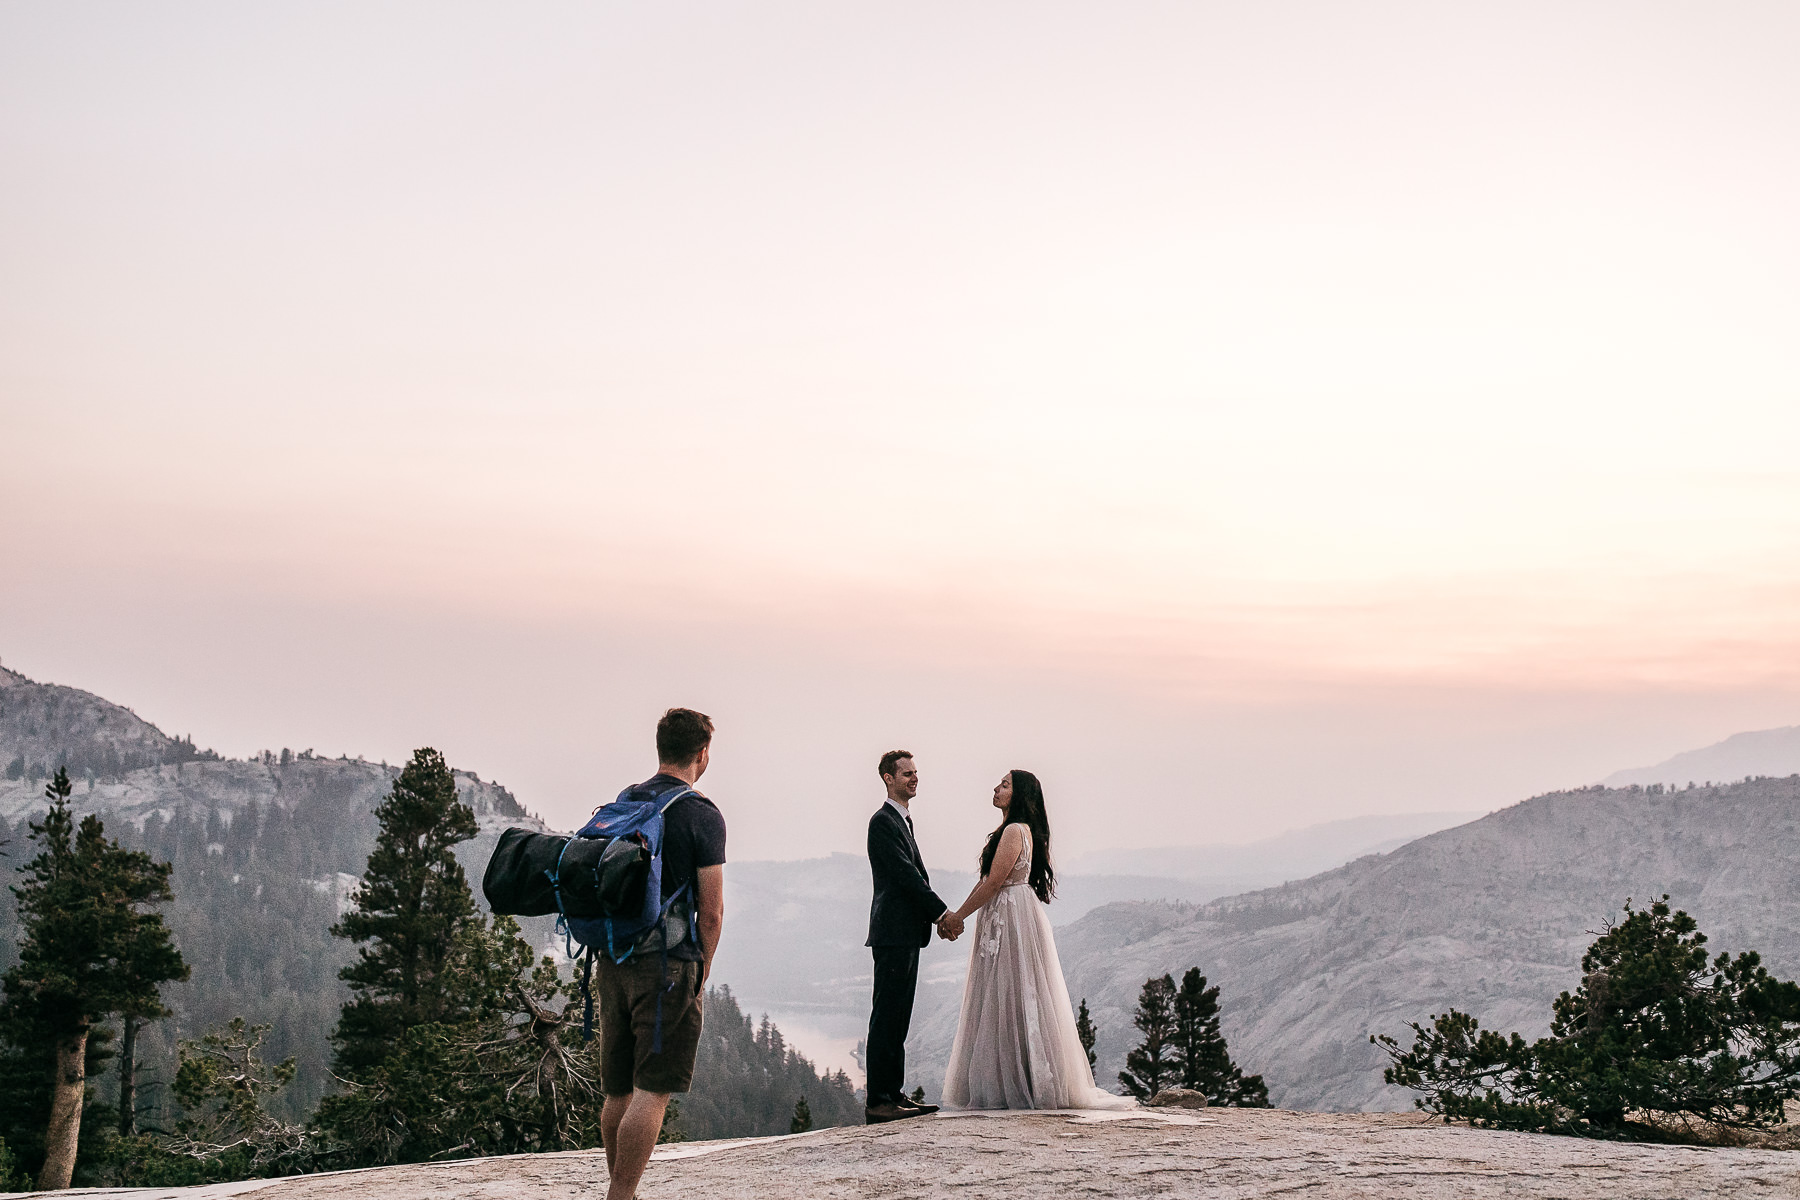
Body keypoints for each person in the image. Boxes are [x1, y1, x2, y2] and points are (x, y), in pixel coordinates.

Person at [939, 770, 1135, 1111]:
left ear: (1019, 795)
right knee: (1011, 995)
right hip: (1010, 912)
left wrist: (958, 917)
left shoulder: (1014, 830)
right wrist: (958, 913)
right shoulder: (1017, 830)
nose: (996, 788)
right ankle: (1019, 1079)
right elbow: (988, 881)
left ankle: (1016, 1083)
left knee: (1009, 994)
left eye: (1005, 784)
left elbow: (993, 883)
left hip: (1009, 915)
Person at [597, 708, 727, 1200]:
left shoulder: (627, 799)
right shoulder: (701, 814)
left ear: (660, 748)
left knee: (618, 1089)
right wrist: (702, 967)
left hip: (614, 958)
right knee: (652, 1089)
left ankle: (620, 1190)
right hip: (667, 965)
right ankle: (621, 1196)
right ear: (702, 754)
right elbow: (711, 912)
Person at [864, 749, 956, 1123]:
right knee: (887, 1016)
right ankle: (879, 1100)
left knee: (898, 1017)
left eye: (915, 773)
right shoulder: (882, 822)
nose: (914, 778)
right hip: (893, 934)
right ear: (888, 778)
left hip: (905, 934)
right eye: (906, 774)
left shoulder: (902, 820)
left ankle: (893, 1093)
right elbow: (906, 876)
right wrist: (941, 914)